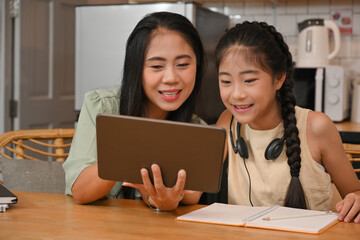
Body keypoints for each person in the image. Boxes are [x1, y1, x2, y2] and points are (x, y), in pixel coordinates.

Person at [212, 21, 360, 223]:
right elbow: (191, 191)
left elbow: (355, 193)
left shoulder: (316, 127)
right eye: (226, 82)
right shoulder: (227, 122)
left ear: (279, 78)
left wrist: (356, 200)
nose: (236, 94)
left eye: (249, 80)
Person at [63, 12, 205, 211]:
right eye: (156, 66)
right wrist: (136, 149)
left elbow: (190, 196)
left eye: (183, 65)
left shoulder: (198, 130)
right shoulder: (101, 106)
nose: (171, 77)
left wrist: (158, 200)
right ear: (136, 69)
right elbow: (81, 191)